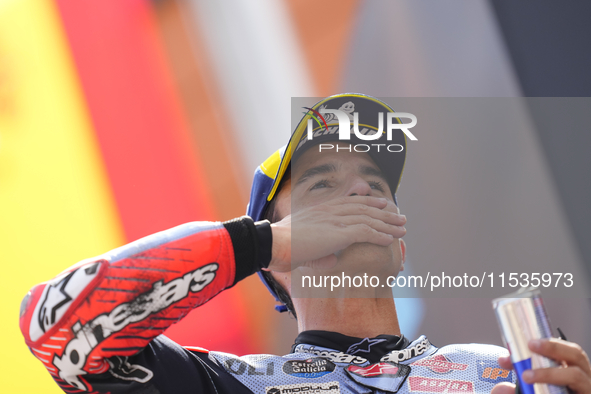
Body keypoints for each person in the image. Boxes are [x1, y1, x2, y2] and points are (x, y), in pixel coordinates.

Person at [19, 94, 591, 394]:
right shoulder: (232, 386)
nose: (363, 189)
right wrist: (252, 244)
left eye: (376, 184)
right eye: (323, 187)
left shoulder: (500, 371)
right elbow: (54, 328)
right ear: (279, 258)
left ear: (402, 243)